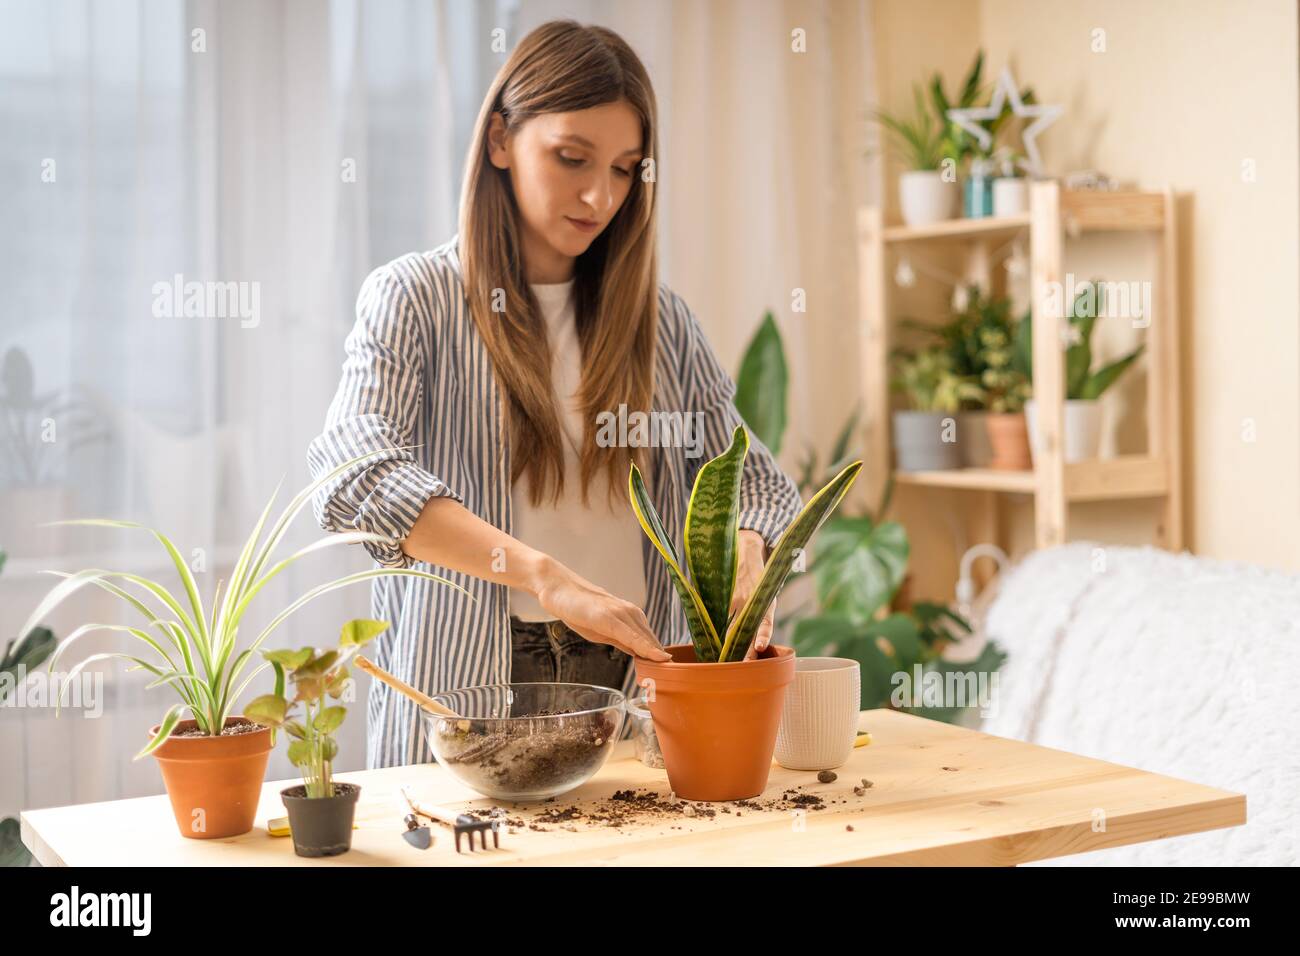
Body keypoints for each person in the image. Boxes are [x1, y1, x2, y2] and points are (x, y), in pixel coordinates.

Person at [308, 19, 803, 769]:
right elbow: (353, 476)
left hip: (636, 683)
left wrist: (746, 545)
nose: (600, 194)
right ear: (501, 141)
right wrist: (543, 577)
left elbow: (757, 480)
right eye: (572, 158)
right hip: (475, 676)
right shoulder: (416, 298)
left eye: (626, 168)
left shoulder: (660, 322)